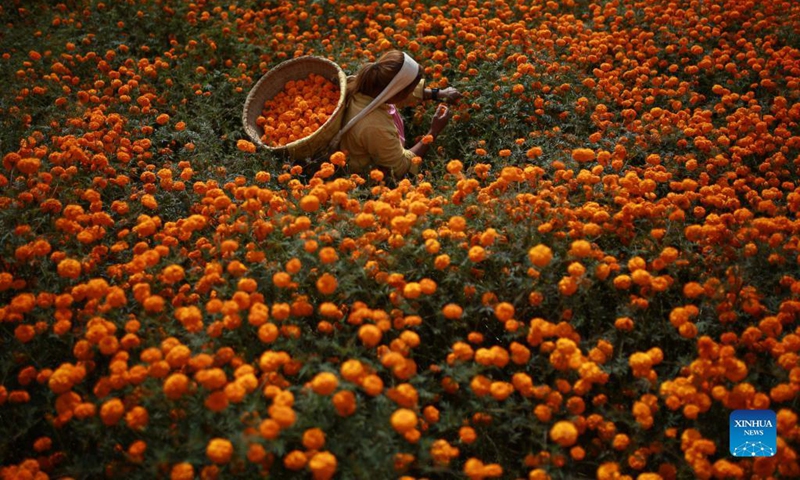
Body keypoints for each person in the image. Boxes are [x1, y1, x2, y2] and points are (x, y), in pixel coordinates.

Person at [331, 50, 461, 178]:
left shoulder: (366, 84)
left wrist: (437, 94)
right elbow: (401, 166)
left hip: (375, 140)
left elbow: (402, 89)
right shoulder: (374, 125)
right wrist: (434, 131)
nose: (411, 92)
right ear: (397, 92)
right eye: (409, 89)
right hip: (369, 176)